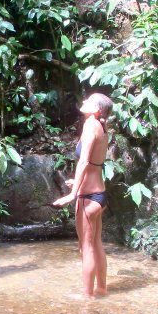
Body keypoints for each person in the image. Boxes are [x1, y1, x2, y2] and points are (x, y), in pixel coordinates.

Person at [53, 93, 113, 299]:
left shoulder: (90, 124)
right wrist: (77, 184)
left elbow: (85, 161)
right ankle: (102, 289)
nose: (84, 102)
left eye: (89, 101)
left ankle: (87, 298)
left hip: (88, 197)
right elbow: (94, 164)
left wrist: (73, 193)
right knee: (96, 244)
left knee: (85, 248)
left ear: (96, 110)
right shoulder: (102, 126)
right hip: (100, 194)